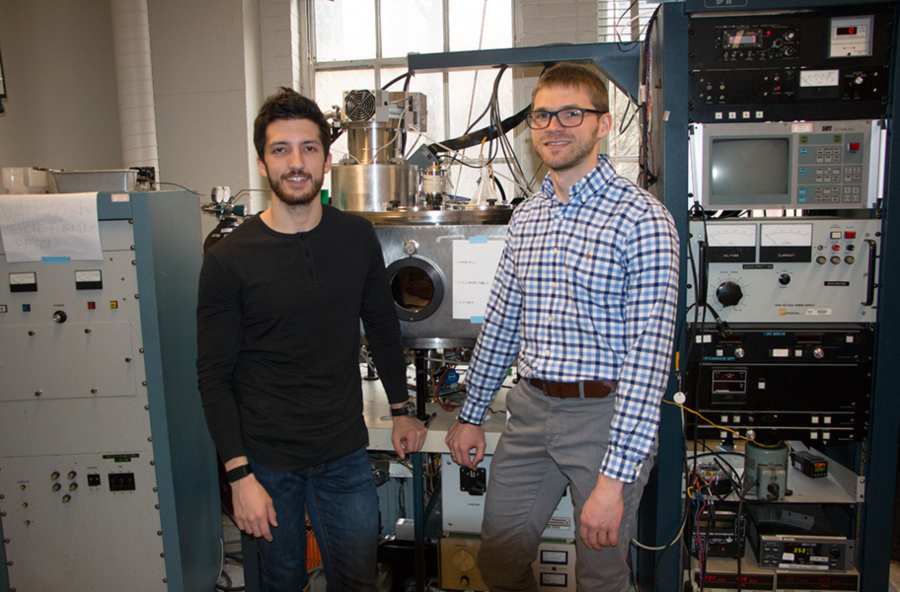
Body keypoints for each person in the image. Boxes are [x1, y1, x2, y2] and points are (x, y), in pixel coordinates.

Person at [445, 63, 679, 591]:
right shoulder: (527, 217)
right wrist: (472, 414)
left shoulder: (642, 220)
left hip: (604, 417)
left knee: (600, 577)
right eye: (542, 115)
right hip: (530, 410)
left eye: (572, 113)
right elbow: (502, 322)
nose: (554, 126)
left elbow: (648, 363)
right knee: (498, 563)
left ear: (603, 123)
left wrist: (614, 480)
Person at [197, 88, 428, 591]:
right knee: (281, 583)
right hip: (265, 460)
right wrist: (238, 476)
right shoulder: (229, 259)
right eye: (280, 150)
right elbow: (214, 376)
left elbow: (381, 324)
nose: (296, 162)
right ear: (263, 164)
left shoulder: (356, 237)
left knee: (358, 580)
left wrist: (402, 408)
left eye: (308, 148)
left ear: (326, 160)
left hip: (343, 451)